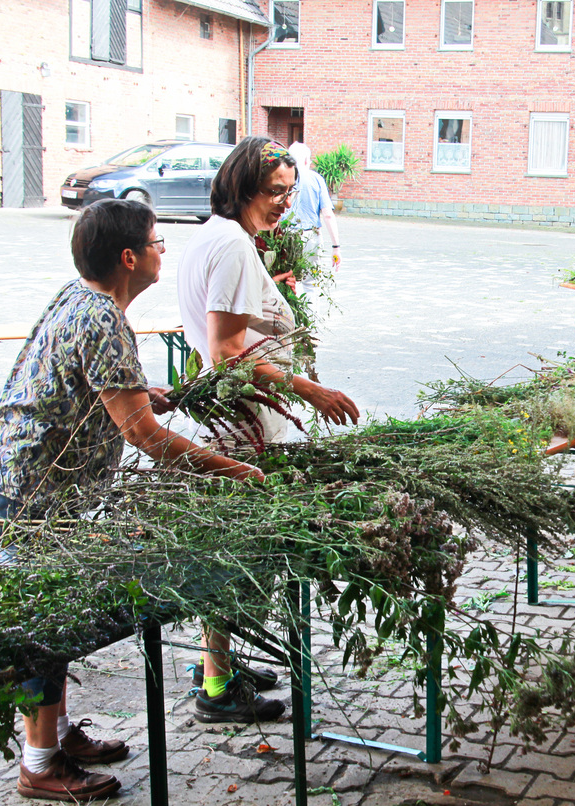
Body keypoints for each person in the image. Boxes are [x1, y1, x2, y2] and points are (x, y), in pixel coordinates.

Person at [0, 198, 264, 801]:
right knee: (46, 618)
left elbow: (93, 387)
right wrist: (232, 470)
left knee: (55, 608)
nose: (163, 252)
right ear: (129, 257)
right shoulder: (103, 319)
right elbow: (143, 436)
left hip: (25, 476)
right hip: (36, 491)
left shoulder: (82, 299)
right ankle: (39, 764)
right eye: (158, 242)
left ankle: (58, 736)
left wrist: (139, 391)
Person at [177, 136, 360, 721]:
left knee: (230, 546)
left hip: (239, 418)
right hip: (244, 425)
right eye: (273, 191)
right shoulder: (233, 244)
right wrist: (311, 390)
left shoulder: (217, 235)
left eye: (290, 191)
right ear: (241, 187)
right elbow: (226, 351)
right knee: (233, 553)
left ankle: (219, 662)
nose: (284, 201)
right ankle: (216, 687)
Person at [278, 141, 341, 308]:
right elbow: (328, 214)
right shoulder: (316, 179)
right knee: (311, 284)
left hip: (284, 235)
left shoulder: (281, 177)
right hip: (310, 236)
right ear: (307, 160)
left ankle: (289, 317)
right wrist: (336, 246)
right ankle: (310, 321)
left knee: (285, 280)